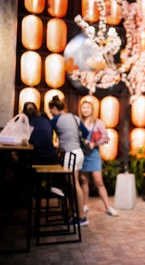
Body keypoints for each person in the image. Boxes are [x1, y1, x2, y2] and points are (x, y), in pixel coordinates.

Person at [48, 96, 89, 226]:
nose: (50, 113)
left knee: (74, 185)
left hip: (70, 153)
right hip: (78, 152)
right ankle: (76, 214)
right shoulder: (75, 117)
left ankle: (82, 217)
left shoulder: (55, 119)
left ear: (54, 108)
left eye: (50, 110)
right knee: (73, 184)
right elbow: (86, 132)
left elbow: (45, 132)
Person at [79, 101, 119, 217]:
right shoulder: (79, 123)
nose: (85, 110)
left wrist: (94, 144)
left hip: (94, 155)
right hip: (83, 155)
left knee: (99, 182)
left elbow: (106, 137)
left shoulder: (98, 123)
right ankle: (85, 205)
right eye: (83, 108)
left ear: (92, 110)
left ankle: (108, 207)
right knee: (84, 181)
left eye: (88, 107)